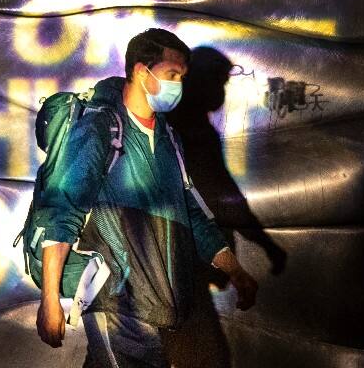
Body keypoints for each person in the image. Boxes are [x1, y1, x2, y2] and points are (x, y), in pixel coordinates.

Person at [34, 28, 258, 367]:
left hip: (163, 309)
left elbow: (191, 214)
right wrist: (49, 298)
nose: (178, 85)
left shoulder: (168, 137)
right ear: (142, 71)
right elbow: (63, 210)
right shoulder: (100, 128)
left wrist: (235, 269)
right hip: (118, 304)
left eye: (182, 76)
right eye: (172, 74)